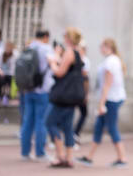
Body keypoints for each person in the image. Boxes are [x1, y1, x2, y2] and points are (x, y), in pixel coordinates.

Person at [76, 38, 127, 168]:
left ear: (107, 46)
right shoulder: (111, 60)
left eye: (101, 46)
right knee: (99, 127)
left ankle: (122, 157)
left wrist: (101, 104)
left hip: (111, 99)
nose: (100, 49)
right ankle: (89, 157)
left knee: (112, 127)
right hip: (110, 98)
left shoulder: (111, 62)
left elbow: (107, 85)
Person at [45, 27, 84, 168]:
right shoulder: (78, 52)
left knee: (50, 122)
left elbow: (60, 72)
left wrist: (52, 62)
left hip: (63, 96)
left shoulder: (69, 52)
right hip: (72, 96)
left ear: (68, 38)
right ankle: (69, 157)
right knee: (67, 127)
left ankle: (60, 155)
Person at [20, 30, 54, 161]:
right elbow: (53, 63)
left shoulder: (29, 47)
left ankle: (25, 152)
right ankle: (40, 152)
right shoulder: (46, 48)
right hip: (42, 90)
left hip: (28, 89)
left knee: (27, 120)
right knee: (41, 121)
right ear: (46, 37)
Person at [73, 42, 90, 144]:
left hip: (76, 90)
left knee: (82, 113)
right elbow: (85, 78)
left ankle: (74, 133)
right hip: (77, 90)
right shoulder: (83, 60)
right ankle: (74, 134)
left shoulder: (82, 60)